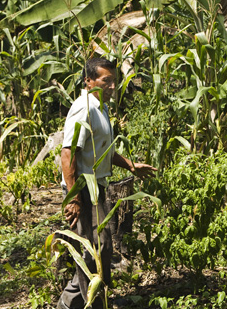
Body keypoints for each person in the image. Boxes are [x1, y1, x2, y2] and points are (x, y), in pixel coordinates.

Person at [58, 57, 157, 309]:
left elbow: (103, 151)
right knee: (94, 249)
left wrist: (131, 166)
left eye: (114, 80)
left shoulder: (101, 107)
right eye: (106, 81)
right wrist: (74, 198)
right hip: (83, 188)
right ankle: (85, 303)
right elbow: (68, 153)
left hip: (96, 187)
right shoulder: (85, 107)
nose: (113, 86)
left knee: (100, 249)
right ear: (88, 81)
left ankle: (75, 302)